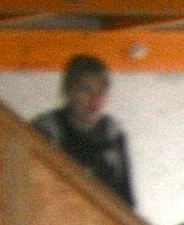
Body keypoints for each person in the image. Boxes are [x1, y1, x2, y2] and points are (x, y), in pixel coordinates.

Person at [30, 55, 136, 209]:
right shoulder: (47, 130)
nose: (95, 99)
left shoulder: (113, 134)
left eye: (101, 92)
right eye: (86, 90)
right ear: (69, 91)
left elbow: (126, 196)